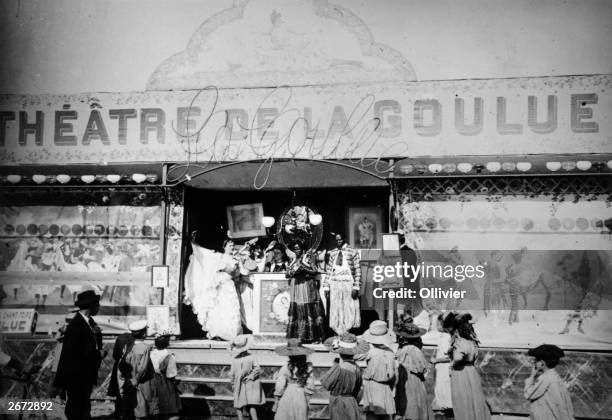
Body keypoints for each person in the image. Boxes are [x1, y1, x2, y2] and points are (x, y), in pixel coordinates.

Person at [53, 290, 106, 420]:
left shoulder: (89, 322)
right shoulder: (77, 325)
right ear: (91, 305)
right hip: (77, 376)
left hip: (84, 375)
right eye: (97, 304)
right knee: (76, 409)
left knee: (82, 407)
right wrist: (98, 354)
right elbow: (76, 354)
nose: (99, 307)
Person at [183, 238, 242, 340]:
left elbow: (236, 274)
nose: (232, 248)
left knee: (231, 308)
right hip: (221, 286)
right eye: (229, 246)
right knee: (219, 309)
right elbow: (211, 267)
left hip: (230, 285)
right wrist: (224, 268)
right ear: (224, 247)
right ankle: (218, 332)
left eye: (233, 246)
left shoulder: (235, 258)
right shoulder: (219, 257)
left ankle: (232, 332)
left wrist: (236, 268)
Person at [448, 313, 491, 420]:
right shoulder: (472, 341)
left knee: (463, 401)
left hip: (461, 372)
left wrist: (452, 364)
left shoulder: (460, 342)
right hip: (471, 371)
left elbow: (458, 357)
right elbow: (475, 356)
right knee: (473, 399)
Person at [321, 333, 368, 420]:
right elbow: (358, 388)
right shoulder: (357, 368)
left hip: (338, 402)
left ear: (340, 352)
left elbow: (326, 384)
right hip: (351, 401)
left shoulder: (338, 368)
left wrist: (335, 365)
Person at [286, 240, 325, 343]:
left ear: (302, 248)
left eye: (298, 248)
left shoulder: (308, 257)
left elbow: (314, 270)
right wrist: (291, 272)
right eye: (295, 249)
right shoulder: (293, 259)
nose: (297, 250)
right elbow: (287, 273)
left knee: (308, 309)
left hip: (306, 286)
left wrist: (303, 269)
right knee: (298, 310)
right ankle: (300, 336)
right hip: (297, 287)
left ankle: (314, 337)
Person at [357, 320, 396, 420]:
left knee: (371, 413)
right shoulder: (390, 353)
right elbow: (391, 375)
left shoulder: (369, 351)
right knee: (384, 414)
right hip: (384, 385)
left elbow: (355, 355)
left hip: (371, 385)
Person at [394, 319, 433, 420]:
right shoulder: (414, 349)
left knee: (409, 402)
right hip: (413, 379)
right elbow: (422, 369)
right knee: (414, 401)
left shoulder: (405, 349)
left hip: (407, 379)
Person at [524, 344, 574, 420]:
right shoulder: (555, 377)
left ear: (542, 363)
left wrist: (532, 376)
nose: (534, 362)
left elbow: (529, 394)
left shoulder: (546, 379)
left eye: (536, 360)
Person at [324, 234, 361, 335]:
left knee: (348, 307)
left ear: (344, 239)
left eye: (340, 239)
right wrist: (326, 287)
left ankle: (347, 331)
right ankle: (338, 332)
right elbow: (328, 271)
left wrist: (356, 287)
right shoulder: (332, 253)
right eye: (336, 240)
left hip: (348, 284)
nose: (338, 241)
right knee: (336, 307)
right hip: (335, 284)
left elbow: (357, 270)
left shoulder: (352, 252)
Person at [119, 320, 155, 419]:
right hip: (142, 382)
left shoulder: (128, 346)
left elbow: (122, 363)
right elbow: (143, 367)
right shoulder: (144, 348)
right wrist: (136, 380)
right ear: (143, 334)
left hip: (129, 381)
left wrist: (127, 379)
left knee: (132, 408)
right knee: (143, 408)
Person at [273, 339, 316, 420]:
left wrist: (276, 401)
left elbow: (280, 386)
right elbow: (310, 385)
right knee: (300, 415)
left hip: (288, 393)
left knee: (285, 415)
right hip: (301, 394)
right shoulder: (307, 368)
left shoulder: (286, 367)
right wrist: (307, 400)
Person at [229, 334, 265, 420]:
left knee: (239, 405)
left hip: (240, 383)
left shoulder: (235, 359)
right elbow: (257, 368)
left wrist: (233, 384)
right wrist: (251, 376)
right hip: (249, 383)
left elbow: (232, 374)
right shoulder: (251, 357)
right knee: (251, 405)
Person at [150, 331, 182, 420]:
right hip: (165, 382)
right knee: (169, 405)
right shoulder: (169, 356)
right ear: (167, 343)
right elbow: (171, 374)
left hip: (153, 381)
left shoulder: (151, 354)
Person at [108, 328, 136, 419]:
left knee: (119, 394)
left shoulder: (120, 338)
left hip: (118, 368)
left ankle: (119, 414)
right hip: (128, 369)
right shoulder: (132, 340)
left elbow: (115, 355)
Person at [431, 313, 452, 414]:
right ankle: (444, 408)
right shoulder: (442, 336)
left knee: (445, 389)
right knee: (440, 388)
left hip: (444, 368)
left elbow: (449, 356)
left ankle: (448, 410)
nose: (436, 326)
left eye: (438, 324)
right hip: (440, 368)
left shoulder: (448, 338)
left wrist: (437, 360)